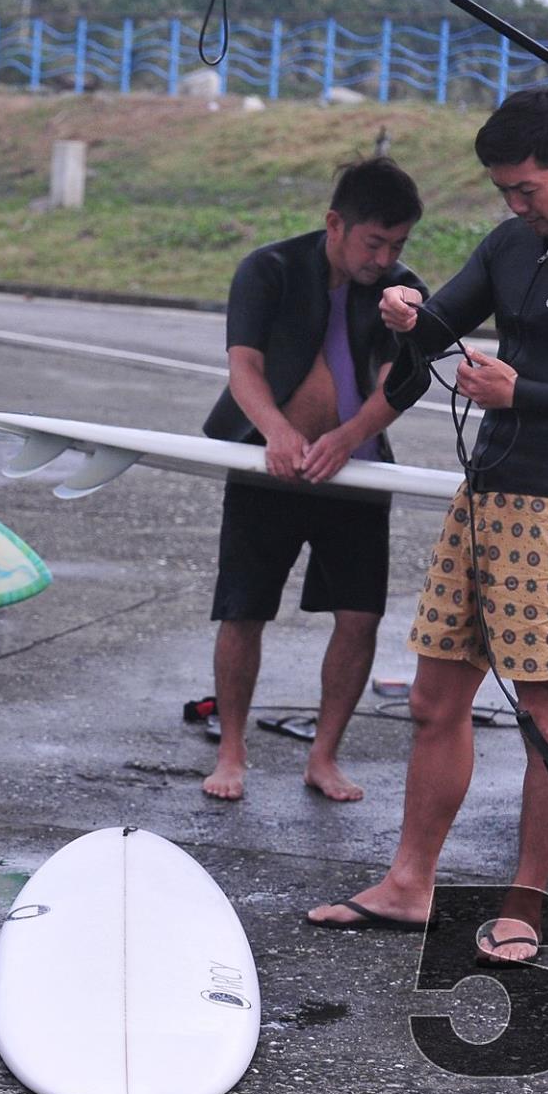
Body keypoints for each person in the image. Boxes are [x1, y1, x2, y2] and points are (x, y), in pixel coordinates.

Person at [307, 89, 548, 961]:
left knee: (544, 708)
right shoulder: (514, 242)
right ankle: (408, 885)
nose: (515, 205)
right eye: (504, 191)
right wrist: (408, 308)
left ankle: (525, 907)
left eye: (526, 189)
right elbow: (443, 322)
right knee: (437, 698)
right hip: (482, 496)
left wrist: (527, 393)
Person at [201, 157, 428, 803]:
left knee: (359, 618)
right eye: (372, 242)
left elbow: (397, 385)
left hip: (354, 477)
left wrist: (345, 440)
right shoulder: (268, 269)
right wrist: (275, 431)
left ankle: (323, 758)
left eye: (398, 244)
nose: (384, 258)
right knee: (242, 612)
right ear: (335, 223)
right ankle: (232, 751)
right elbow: (243, 366)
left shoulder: (403, 294)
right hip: (265, 469)